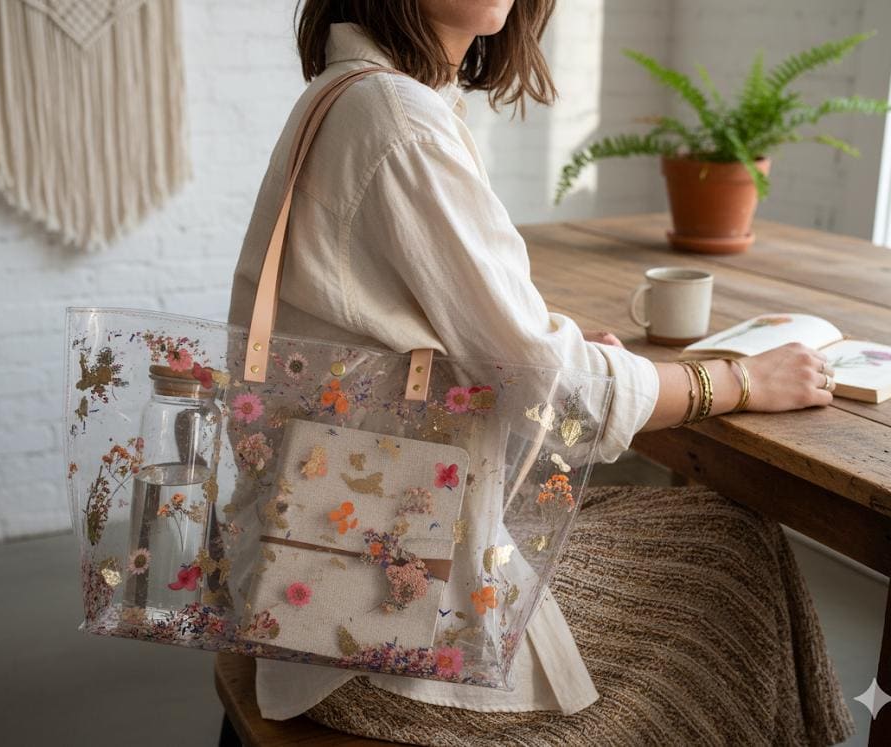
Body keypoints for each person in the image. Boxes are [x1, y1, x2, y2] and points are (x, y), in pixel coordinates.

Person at [228, 1, 854, 743]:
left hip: (314, 578)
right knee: (734, 551)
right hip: (372, 636)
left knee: (721, 538)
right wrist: (739, 381)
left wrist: (537, 341)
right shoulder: (398, 118)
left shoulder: (351, 94)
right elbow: (551, 386)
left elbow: (424, 337)